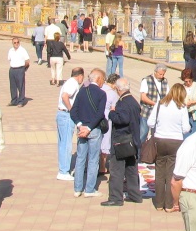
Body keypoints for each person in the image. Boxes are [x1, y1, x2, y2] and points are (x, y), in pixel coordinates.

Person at [148, 82, 191, 211]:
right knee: (171, 173)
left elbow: (150, 122)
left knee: (159, 172)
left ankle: (159, 204)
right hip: (175, 142)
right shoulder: (182, 107)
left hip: (160, 140)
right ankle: (169, 204)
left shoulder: (160, 104)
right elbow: (186, 128)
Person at [104, 79, 143, 206]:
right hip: (133, 141)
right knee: (131, 169)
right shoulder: (133, 101)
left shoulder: (123, 103)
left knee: (116, 170)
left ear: (119, 89)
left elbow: (123, 119)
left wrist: (112, 113)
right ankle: (135, 195)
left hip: (121, 141)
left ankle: (116, 197)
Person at [69, 68, 107, 198]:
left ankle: (77, 188)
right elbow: (100, 114)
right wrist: (89, 128)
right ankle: (89, 189)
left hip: (81, 130)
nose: (103, 82)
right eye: (103, 80)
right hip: (94, 129)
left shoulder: (82, 91)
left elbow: (73, 111)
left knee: (80, 159)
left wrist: (80, 126)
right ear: (98, 79)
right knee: (93, 159)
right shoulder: (101, 94)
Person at [56, 67, 85, 180]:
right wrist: (71, 109)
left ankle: (62, 169)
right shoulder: (73, 83)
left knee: (62, 143)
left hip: (61, 114)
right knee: (66, 144)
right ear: (80, 76)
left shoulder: (68, 82)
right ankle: (64, 171)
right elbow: (65, 96)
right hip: (66, 115)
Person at [139, 64, 169, 153]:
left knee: (156, 134)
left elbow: (167, 96)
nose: (162, 76)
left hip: (159, 113)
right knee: (143, 133)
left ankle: (152, 154)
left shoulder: (165, 81)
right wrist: (155, 104)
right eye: (160, 74)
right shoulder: (146, 80)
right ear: (155, 72)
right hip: (147, 112)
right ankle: (138, 153)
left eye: (163, 74)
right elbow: (143, 97)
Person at [7, 37, 31, 106]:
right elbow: (9, 59)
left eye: (17, 42)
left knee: (20, 85)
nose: (16, 44)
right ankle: (14, 100)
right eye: (14, 43)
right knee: (12, 86)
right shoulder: (10, 50)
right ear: (12, 43)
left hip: (20, 69)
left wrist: (23, 68)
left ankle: (21, 101)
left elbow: (27, 61)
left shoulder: (22, 50)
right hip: (12, 69)